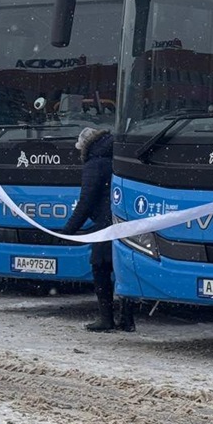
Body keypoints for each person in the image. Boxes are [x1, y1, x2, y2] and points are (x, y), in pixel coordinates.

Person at [60, 125, 134, 332]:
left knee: (100, 268)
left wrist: (68, 230)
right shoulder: (117, 156)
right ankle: (127, 319)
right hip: (123, 221)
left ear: (85, 146)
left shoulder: (94, 164)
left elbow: (86, 201)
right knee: (121, 269)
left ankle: (106, 318)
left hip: (105, 225)